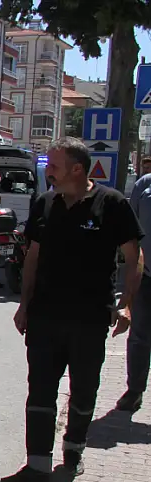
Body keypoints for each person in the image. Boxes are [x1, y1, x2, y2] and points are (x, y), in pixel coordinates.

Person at [1, 138, 144, 482]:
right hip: (45, 317)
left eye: (54, 165)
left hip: (89, 318)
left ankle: (73, 449)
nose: (48, 171)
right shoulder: (45, 204)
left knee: (83, 391)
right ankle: (37, 465)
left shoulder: (111, 204)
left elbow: (134, 256)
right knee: (40, 390)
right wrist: (24, 304)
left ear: (77, 170)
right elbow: (33, 256)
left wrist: (126, 303)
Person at [119, 163, 151, 412]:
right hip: (147, 277)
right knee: (139, 336)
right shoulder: (144, 185)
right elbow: (131, 232)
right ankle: (134, 391)